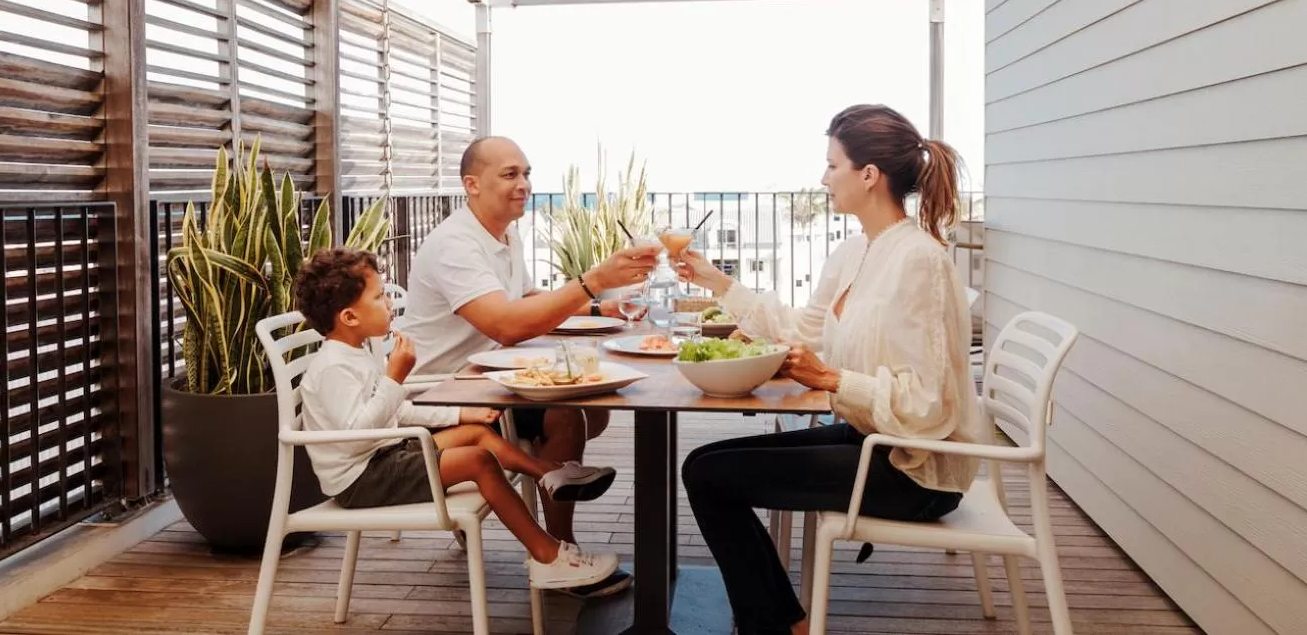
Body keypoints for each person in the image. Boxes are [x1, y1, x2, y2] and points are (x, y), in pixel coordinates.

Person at [671, 104, 985, 635]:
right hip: (874, 438)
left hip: (915, 470)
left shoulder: (919, 260)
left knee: (709, 478)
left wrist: (832, 379)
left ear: (869, 175)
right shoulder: (857, 251)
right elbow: (805, 330)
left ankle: (773, 625)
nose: (823, 178)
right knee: (702, 463)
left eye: (833, 165)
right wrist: (716, 282)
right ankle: (785, 621)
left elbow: (930, 406)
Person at [399, 136, 659, 596]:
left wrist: (598, 309)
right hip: (443, 395)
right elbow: (505, 324)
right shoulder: (455, 244)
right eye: (510, 174)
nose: (523, 184)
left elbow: (525, 299)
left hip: (488, 380)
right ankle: (559, 553)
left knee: (590, 408)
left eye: (526, 173)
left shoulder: (504, 233)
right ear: (472, 184)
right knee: (566, 415)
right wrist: (594, 279)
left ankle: (556, 540)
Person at [294, 248, 622, 590]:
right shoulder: (334, 367)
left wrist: (461, 414)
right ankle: (547, 556)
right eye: (378, 297)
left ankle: (550, 473)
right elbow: (356, 435)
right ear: (349, 317)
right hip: (362, 478)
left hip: (384, 454)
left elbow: (397, 411)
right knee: (479, 461)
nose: (388, 303)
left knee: (476, 432)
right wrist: (394, 379)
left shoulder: (355, 353)